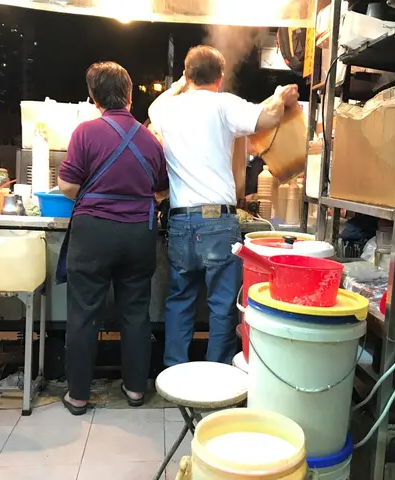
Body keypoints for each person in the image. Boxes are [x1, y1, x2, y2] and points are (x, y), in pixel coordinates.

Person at [148, 45, 299, 367]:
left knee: (180, 300)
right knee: (221, 305)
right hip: (218, 223)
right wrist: (281, 96)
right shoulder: (224, 104)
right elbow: (269, 116)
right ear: (220, 77)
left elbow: (157, 103)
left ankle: (174, 373)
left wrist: (180, 83)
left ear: (186, 75)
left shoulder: (164, 109)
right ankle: (217, 374)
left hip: (181, 221)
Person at [56, 61, 169, 415]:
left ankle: (78, 396)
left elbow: (68, 186)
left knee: (84, 313)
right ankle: (135, 390)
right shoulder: (151, 140)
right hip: (138, 234)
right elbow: (162, 191)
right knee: (136, 312)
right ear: (130, 95)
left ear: (93, 96)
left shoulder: (85, 132)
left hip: (93, 233)